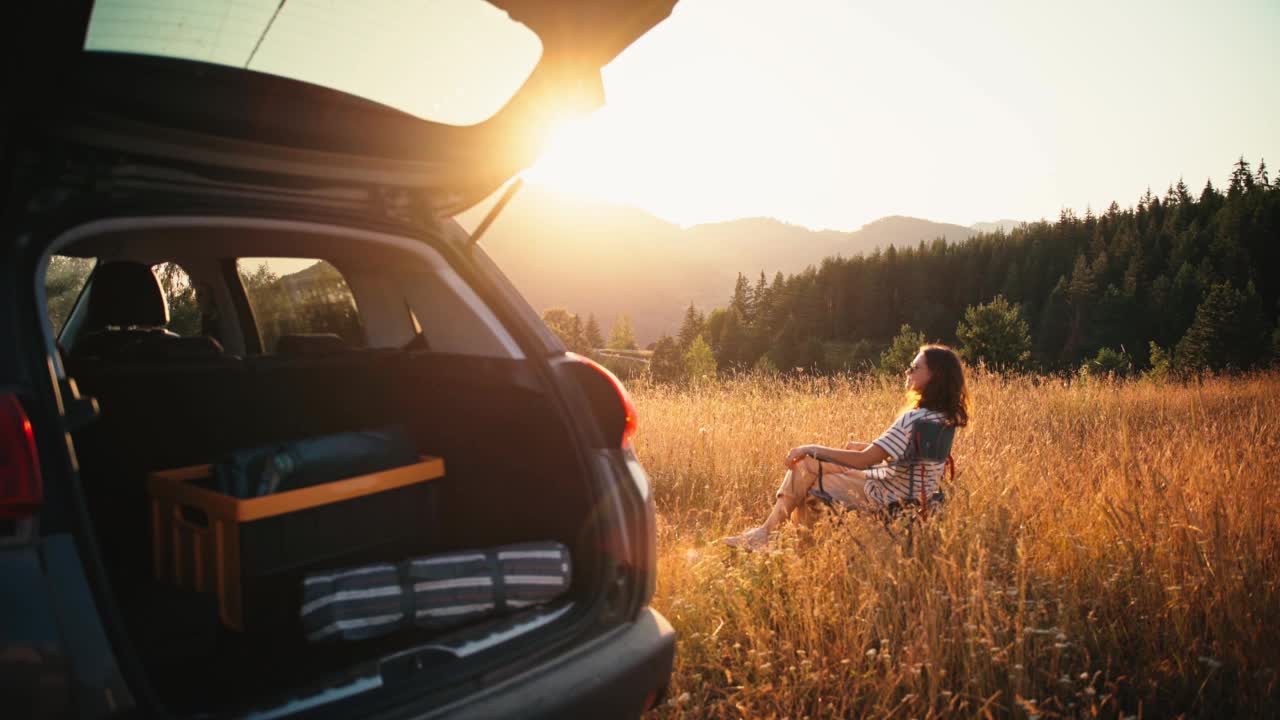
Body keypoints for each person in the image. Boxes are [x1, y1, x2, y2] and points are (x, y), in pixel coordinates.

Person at [723, 344, 971, 550]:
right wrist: (866, 447)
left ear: (934, 376)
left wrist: (811, 447)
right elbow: (912, 461)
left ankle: (773, 538)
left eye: (915, 368)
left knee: (808, 472)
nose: (907, 371)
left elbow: (863, 460)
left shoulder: (913, 418)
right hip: (914, 494)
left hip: (887, 494)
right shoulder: (944, 419)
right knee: (809, 471)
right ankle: (782, 540)